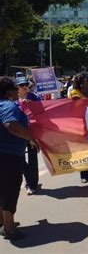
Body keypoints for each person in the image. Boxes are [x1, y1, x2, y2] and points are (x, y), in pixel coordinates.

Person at [0, 76, 40, 240]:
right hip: (8, 156)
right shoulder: (8, 105)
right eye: (16, 88)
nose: (18, 91)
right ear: (9, 91)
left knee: (2, 189)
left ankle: (2, 222)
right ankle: (9, 228)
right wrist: (30, 137)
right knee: (10, 190)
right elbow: (11, 125)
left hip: (5, 154)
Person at [15, 76, 41, 195]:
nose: (25, 87)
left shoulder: (34, 97)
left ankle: (32, 184)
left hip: (32, 133)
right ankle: (29, 179)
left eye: (26, 84)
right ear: (17, 88)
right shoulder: (12, 99)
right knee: (19, 159)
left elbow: (41, 111)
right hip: (18, 133)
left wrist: (32, 105)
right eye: (21, 85)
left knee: (33, 159)